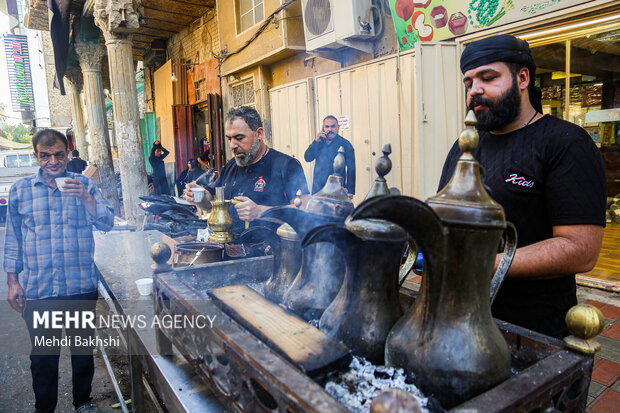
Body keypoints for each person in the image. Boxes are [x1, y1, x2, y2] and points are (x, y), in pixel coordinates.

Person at [437, 34, 607, 339]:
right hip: (461, 318)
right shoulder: (465, 146)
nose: (475, 90)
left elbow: (581, 250)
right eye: (468, 83)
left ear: (523, 78)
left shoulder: (565, 143)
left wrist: (484, 263)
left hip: (532, 328)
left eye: (488, 78)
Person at [4, 129, 114, 413]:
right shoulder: (21, 190)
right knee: (43, 357)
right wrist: (12, 282)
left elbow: (107, 223)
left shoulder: (84, 185)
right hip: (40, 289)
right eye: (45, 156)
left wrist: (87, 200)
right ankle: (45, 407)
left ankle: (83, 402)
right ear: (36, 156)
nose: (53, 162)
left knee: (81, 351)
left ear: (67, 154)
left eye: (59, 155)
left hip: (79, 286)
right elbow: (13, 238)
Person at [184, 106, 309, 236]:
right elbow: (210, 205)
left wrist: (260, 211)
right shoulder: (230, 166)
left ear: (259, 134)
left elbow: (303, 210)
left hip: (270, 251)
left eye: (239, 138)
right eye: (229, 139)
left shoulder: (286, 165)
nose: (232, 145)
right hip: (230, 249)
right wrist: (199, 197)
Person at [304, 115, 355, 198]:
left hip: (337, 189)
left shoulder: (345, 144)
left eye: (333, 126)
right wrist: (316, 141)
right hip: (318, 189)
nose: (330, 129)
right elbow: (307, 158)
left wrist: (350, 190)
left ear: (338, 127)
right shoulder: (319, 143)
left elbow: (351, 168)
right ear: (323, 128)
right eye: (327, 126)